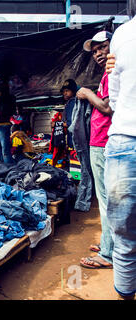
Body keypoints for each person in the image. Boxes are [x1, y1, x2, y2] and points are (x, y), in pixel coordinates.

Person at [103, 1, 136, 300]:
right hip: (122, 141)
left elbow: (112, 101)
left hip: (125, 138)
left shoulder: (123, 35)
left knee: (125, 238)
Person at [76, 31, 114, 270]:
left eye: (103, 47)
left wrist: (87, 93)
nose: (99, 53)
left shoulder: (114, 72)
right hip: (100, 142)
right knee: (106, 199)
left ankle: (109, 254)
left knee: (107, 199)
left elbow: (107, 108)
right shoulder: (107, 74)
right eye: (95, 51)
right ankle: (109, 244)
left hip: (104, 143)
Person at [0, 81, 16, 164]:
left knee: (5, 149)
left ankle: (8, 167)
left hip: (3, 125)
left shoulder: (9, 98)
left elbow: (11, 111)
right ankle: (1, 167)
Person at [60, 79, 78, 149]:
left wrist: (56, 124)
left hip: (74, 141)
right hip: (74, 140)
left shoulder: (72, 103)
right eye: (63, 91)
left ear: (73, 91)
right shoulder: (71, 102)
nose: (65, 93)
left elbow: (70, 123)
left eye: (67, 91)